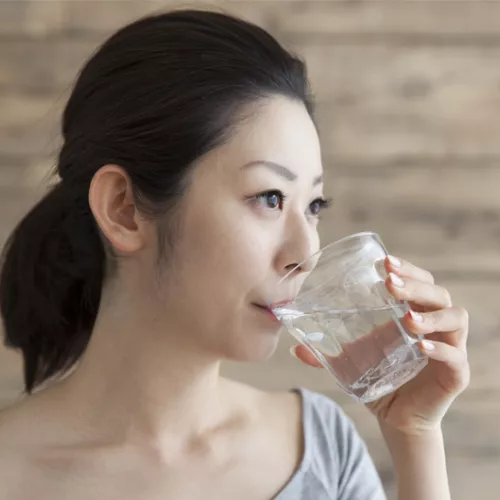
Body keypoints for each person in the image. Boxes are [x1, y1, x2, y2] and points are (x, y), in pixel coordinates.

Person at [0, 9, 469, 500]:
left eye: (313, 206)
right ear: (124, 209)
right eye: (270, 198)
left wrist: (415, 435)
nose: (306, 252)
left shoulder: (323, 449)